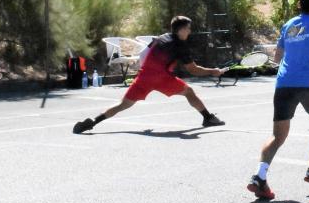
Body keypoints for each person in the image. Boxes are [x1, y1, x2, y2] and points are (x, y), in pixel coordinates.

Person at [248, 0, 309, 200]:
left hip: (283, 85)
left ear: (299, 4)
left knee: (278, 136)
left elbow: (277, 56)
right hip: (308, 85)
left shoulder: (287, 25)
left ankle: (259, 177)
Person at [72, 16, 226, 134]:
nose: (189, 31)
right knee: (188, 92)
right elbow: (193, 70)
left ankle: (93, 121)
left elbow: (144, 54)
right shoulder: (181, 46)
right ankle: (208, 118)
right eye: (188, 28)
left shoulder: (161, 38)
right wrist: (213, 71)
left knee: (123, 104)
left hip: (144, 75)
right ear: (181, 30)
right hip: (161, 77)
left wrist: (147, 70)